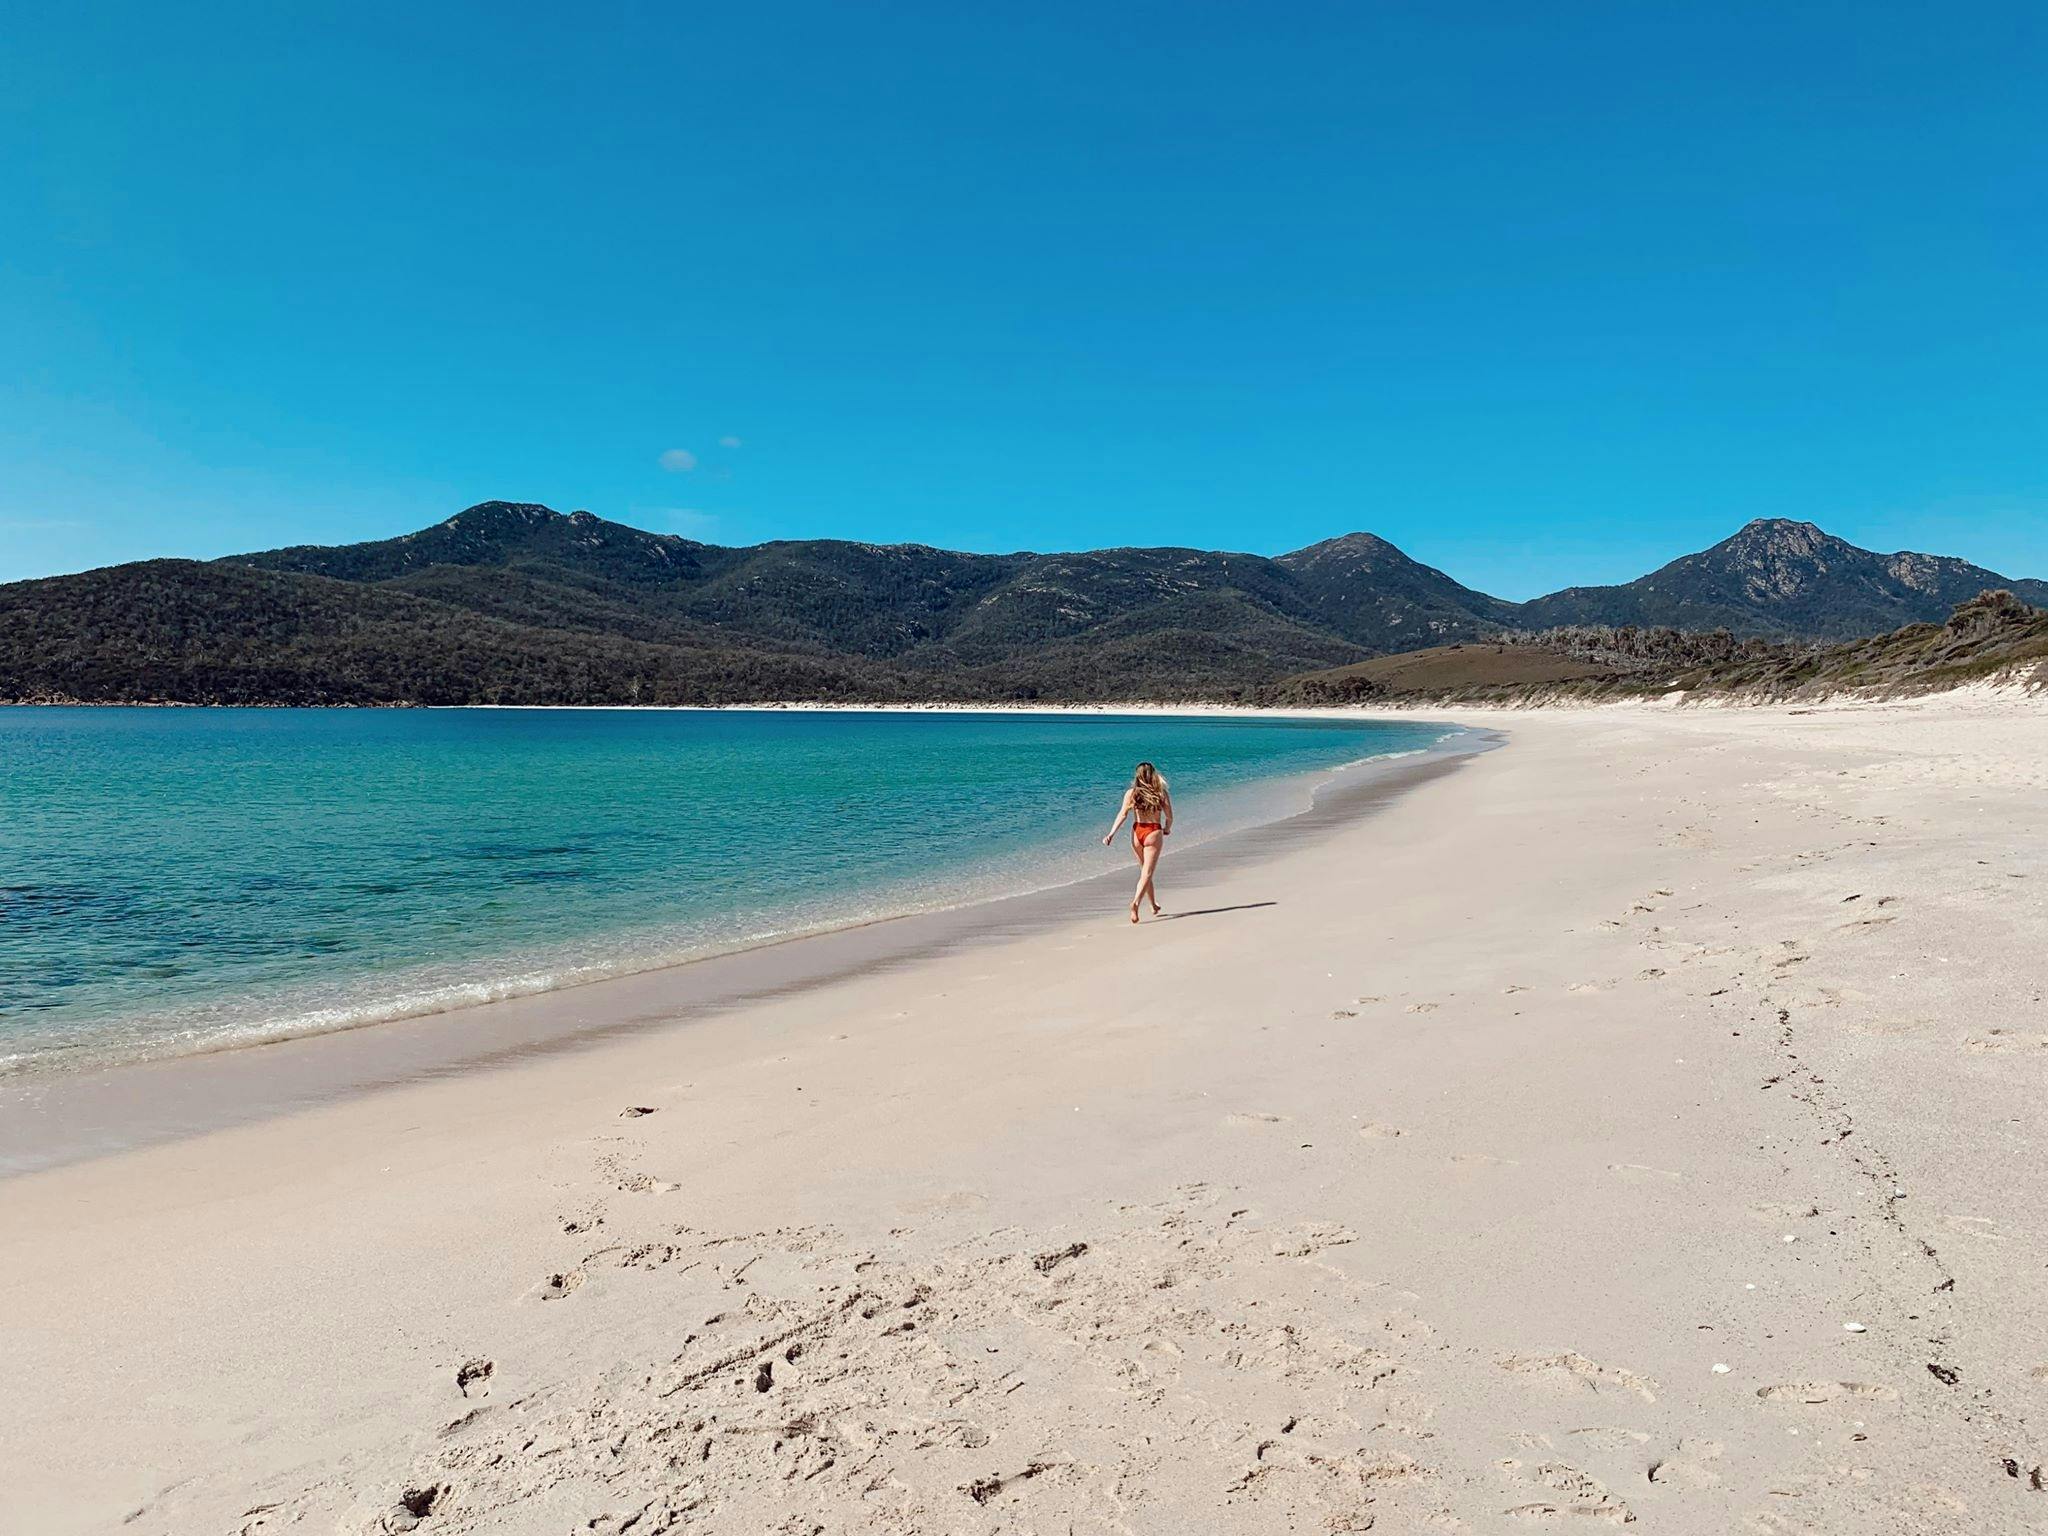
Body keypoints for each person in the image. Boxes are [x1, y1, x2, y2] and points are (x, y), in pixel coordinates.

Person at [1102, 761, 1173, 923]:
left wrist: (1111, 834)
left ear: (1137, 776)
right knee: (1147, 873)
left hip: (1137, 832)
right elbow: (1169, 816)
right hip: (1153, 831)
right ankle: (1135, 903)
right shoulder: (1161, 793)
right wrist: (1167, 828)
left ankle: (1153, 904)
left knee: (1144, 873)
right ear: (1153, 774)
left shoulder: (1131, 793)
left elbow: (1122, 815)